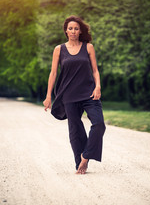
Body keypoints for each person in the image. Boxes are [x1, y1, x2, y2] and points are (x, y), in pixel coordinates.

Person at [43, 15, 106, 174]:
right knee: (75, 129)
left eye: (76, 28)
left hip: (89, 93)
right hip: (69, 95)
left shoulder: (88, 47)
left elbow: (95, 70)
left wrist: (98, 86)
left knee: (99, 124)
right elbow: (53, 74)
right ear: (66, 31)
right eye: (70, 28)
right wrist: (49, 96)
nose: (73, 31)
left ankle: (85, 156)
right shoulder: (59, 49)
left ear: (80, 31)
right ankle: (80, 163)